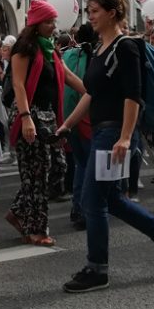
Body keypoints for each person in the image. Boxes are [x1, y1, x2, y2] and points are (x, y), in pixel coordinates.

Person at [56, 0, 154, 293]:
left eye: (95, 10)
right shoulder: (101, 48)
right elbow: (91, 92)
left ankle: (97, 268)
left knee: (92, 199)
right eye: (89, 10)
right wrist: (68, 124)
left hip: (113, 133)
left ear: (113, 13)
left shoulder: (126, 47)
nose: (90, 16)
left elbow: (133, 94)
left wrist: (126, 137)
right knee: (109, 198)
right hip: (101, 130)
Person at [5, 0, 87, 246]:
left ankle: (19, 213)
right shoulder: (24, 48)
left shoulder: (51, 49)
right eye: (48, 22)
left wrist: (91, 92)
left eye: (54, 21)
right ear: (36, 24)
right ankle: (36, 230)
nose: (53, 26)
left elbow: (68, 76)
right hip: (29, 115)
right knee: (36, 175)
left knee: (56, 168)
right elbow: (19, 84)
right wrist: (26, 117)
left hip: (49, 117)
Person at [62, 23, 97, 229]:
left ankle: (77, 207)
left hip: (69, 116)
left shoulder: (68, 56)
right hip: (88, 116)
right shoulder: (96, 56)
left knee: (79, 164)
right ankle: (85, 208)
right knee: (88, 165)